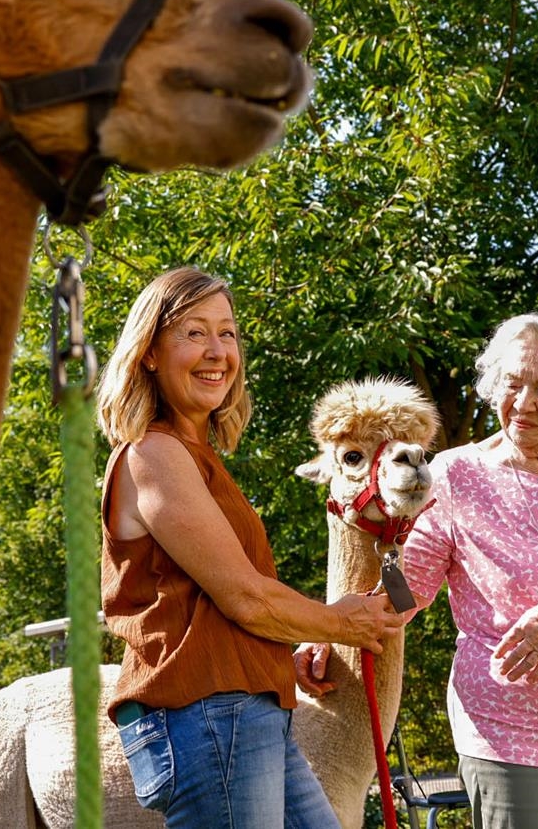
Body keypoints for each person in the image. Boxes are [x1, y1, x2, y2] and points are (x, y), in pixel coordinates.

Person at [313, 311, 538, 828]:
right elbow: (403, 596)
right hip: (514, 741)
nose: (524, 403)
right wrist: (329, 629)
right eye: (512, 383)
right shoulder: (455, 475)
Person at [99, 267, 405, 829]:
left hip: (244, 713)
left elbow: (206, 608)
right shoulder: (154, 455)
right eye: (194, 333)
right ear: (148, 353)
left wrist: (271, 656)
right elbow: (245, 596)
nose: (218, 351)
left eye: (228, 333)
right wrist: (339, 624)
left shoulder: (197, 456)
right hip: (208, 719)